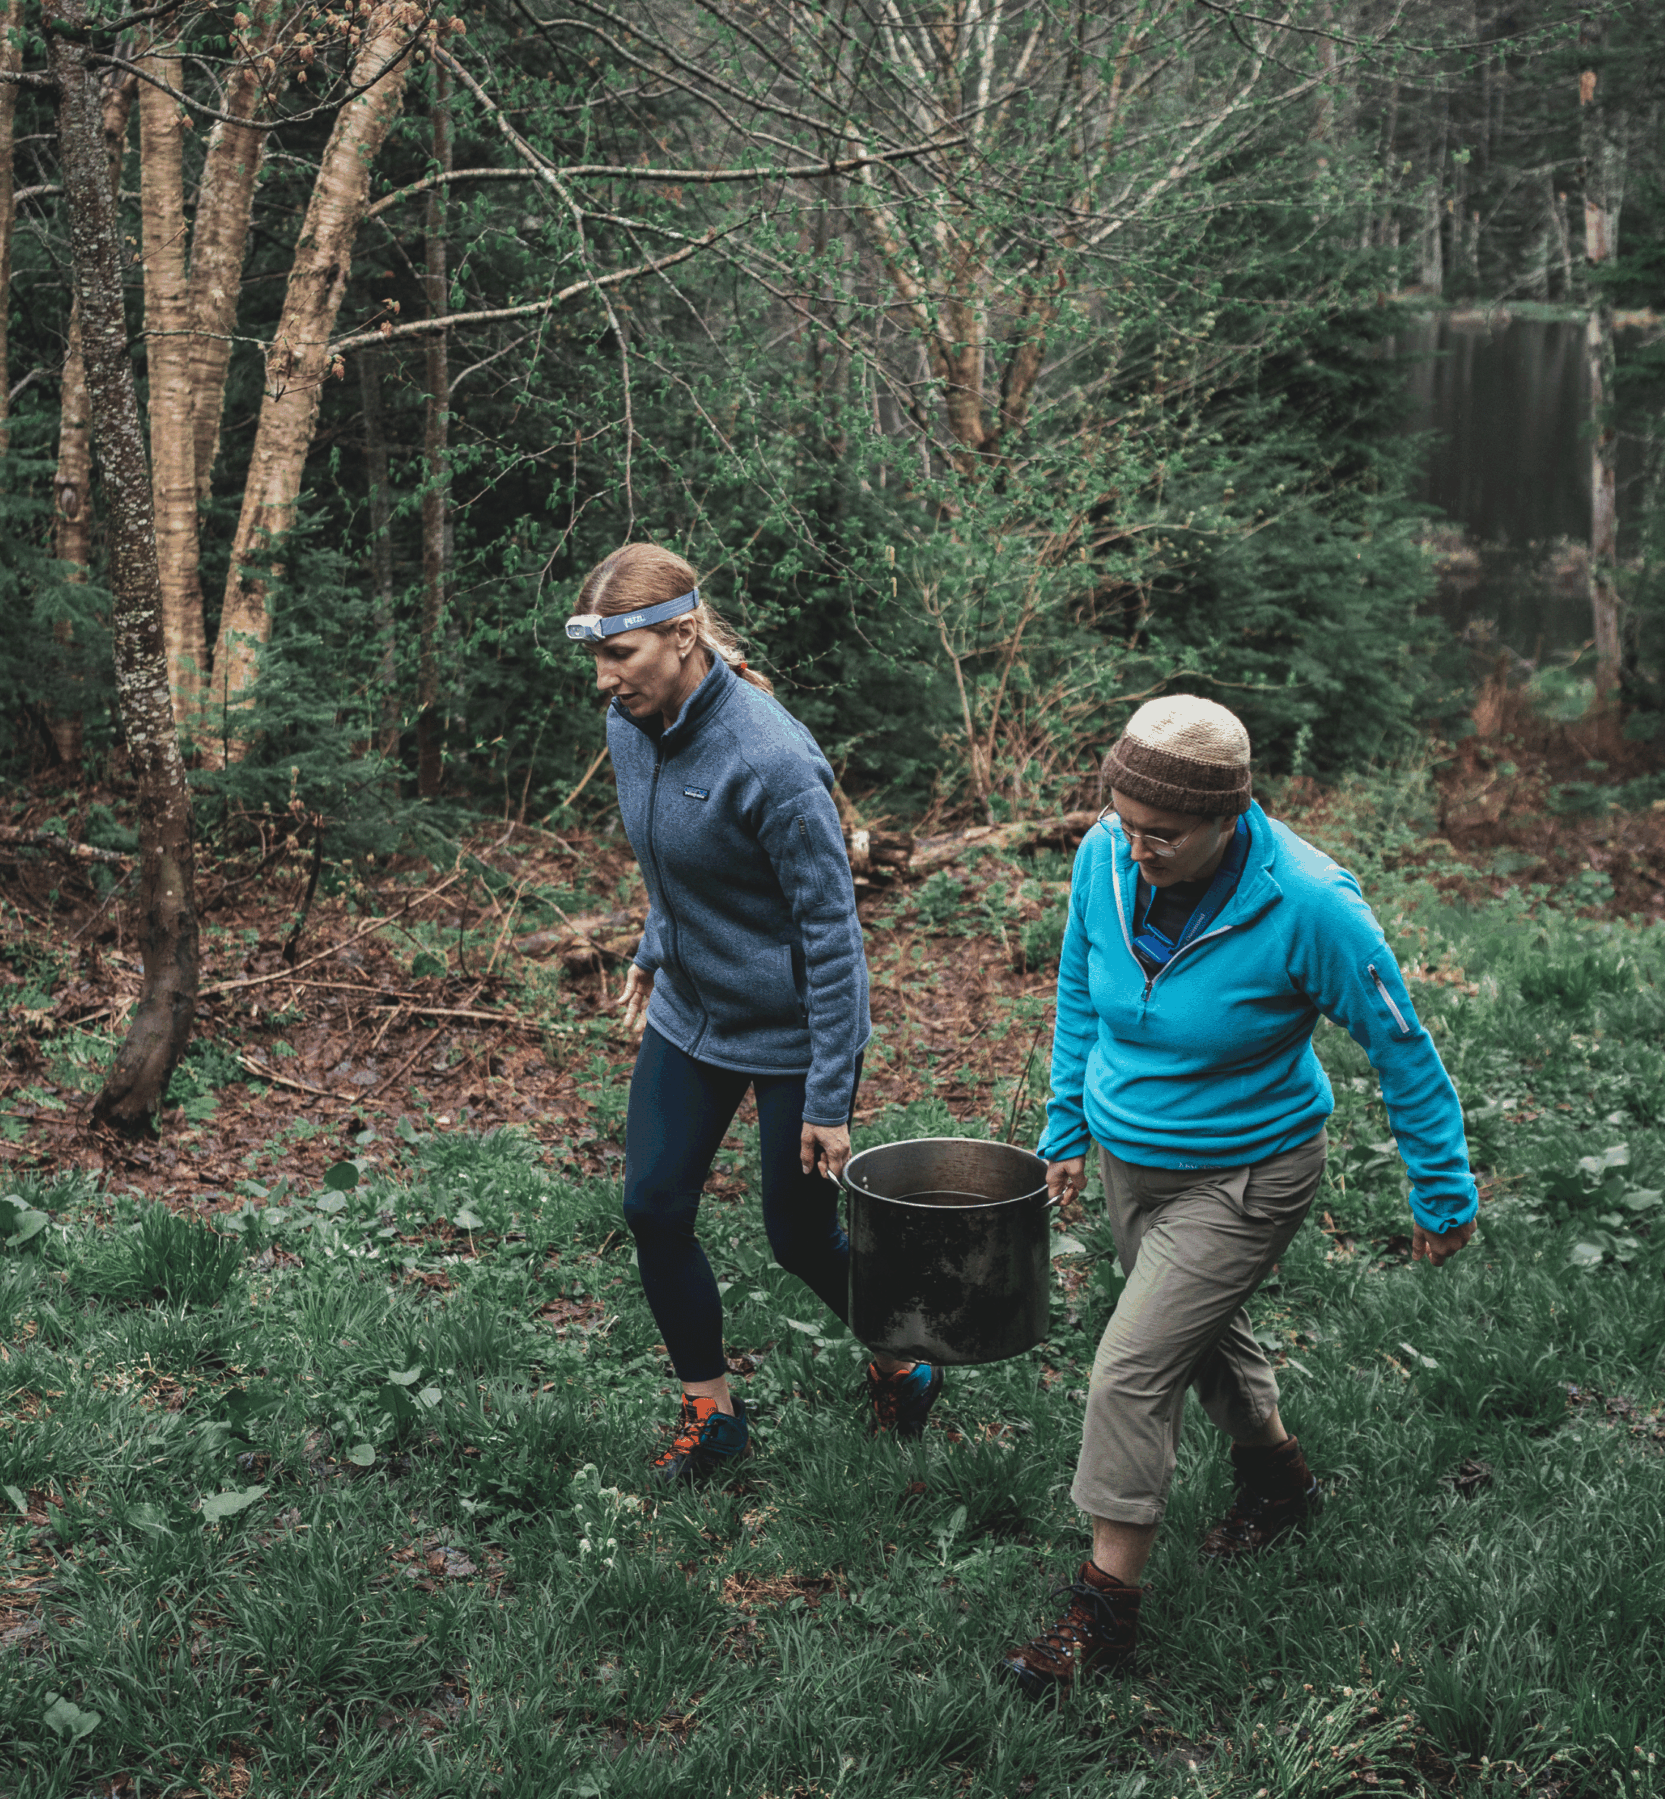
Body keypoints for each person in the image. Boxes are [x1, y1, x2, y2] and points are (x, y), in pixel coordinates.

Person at [1000, 694, 1479, 1700]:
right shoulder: (1104, 855)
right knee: (1196, 1333)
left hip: (1248, 1170)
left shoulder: (1309, 903)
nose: (1137, 852)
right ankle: (1279, 1478)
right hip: (1135, 1157)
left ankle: (1103, 1609)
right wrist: (1064, 1125)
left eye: (1162, 834)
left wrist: (1441, 1191)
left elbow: (1401, 1047)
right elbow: (1080, 990)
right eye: (1124, 826)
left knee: (1131, 1367)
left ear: (1228, 817)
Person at [569, 543, 940, 1485]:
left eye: (625, 656)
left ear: (684, 634)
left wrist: (828, 1097)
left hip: (793, 1032)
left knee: (798, 1233)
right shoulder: (631, 726)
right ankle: (712, 1412)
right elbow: (671, 863)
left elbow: (832, 936)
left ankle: (904, 1364)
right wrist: (658, 950)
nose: (608, 681)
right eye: (599, 659)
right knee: (652, 1205)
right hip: (695, 1011)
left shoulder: (772, 762)